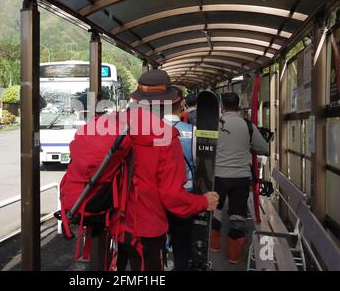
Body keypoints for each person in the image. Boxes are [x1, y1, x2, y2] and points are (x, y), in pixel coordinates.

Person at [115, 70, 219, 271]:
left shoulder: (115, 124)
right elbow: (171, 195)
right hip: (147, 226)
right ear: (166, 102)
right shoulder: (166, 137)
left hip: (116, 221)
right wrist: (204, 201)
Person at [211, 92, 269, 264]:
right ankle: (234, 256)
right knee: (237, 215)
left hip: (219, 175)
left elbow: (206, 148)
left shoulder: (215, 124)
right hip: (241, 176)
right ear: (238, 106)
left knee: (216, 211)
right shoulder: (247, 125)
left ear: (222, 107)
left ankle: (214, 245)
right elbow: (263, 148)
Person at [163, 87, 197, 270]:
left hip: (158, 196)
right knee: (183, 243)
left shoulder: (151, 130)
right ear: (182, 104)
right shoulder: (192, 131)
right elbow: (197, 163)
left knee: (157, 238)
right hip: (185, 194)